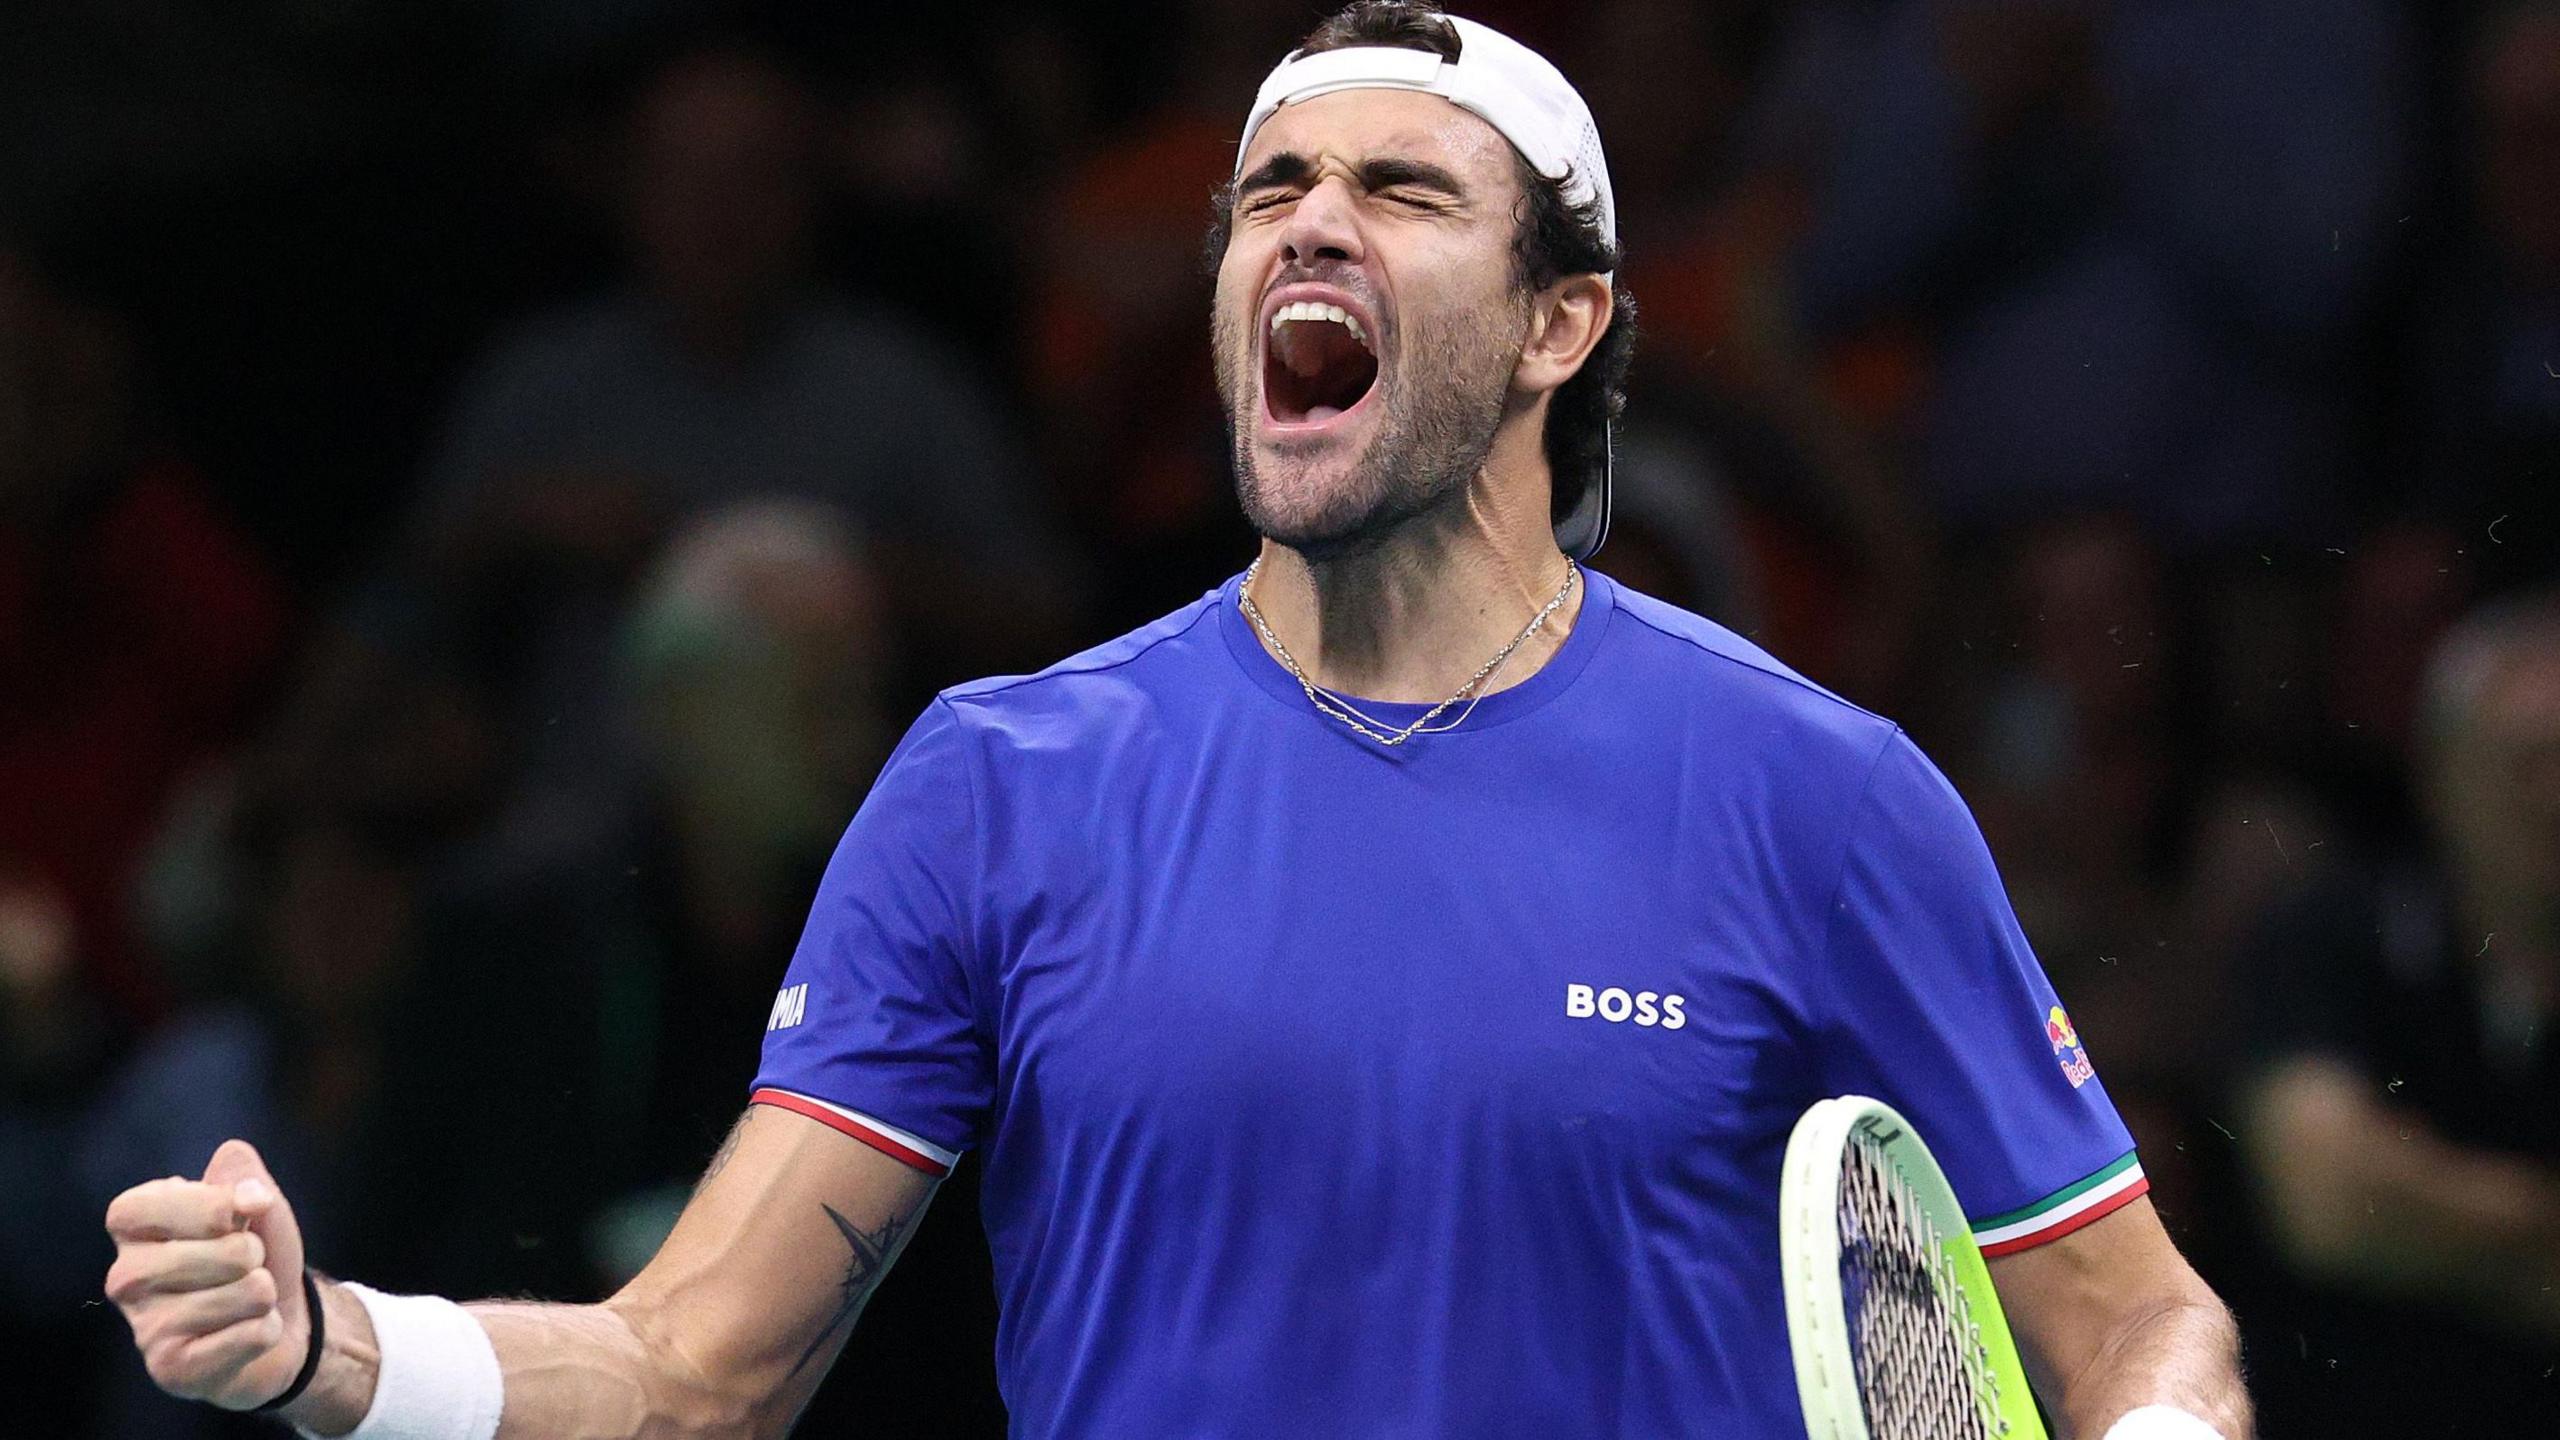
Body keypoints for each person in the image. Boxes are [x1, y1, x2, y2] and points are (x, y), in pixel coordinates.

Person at [101, 6, 2250, 1436]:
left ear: (1556, 322)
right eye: (1264, 191)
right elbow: (694, 1365)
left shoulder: (1813, 796)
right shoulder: (998, 787)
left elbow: (2135, 1321)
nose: (1304, 218)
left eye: (1400, 191)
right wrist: (335, 1352)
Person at [2234, 595, 2560, 1431]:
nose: (2551, 797)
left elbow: (2377, 1194)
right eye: (2524, 762)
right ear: (2441, 775)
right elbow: (2330, 1204)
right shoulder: (2328, 928)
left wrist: (2432, 1212)